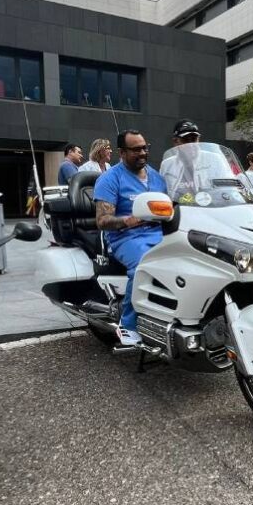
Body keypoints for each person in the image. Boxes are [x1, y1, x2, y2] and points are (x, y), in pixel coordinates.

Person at [93, 130, 168, 351]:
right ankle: (128, 325)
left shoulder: (157, 177)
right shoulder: (110, 178)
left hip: (159, 232)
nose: (143, 153)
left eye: (145, 147)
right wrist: (128, 221)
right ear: (122, 152)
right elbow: (102, 220)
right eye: (136, 149)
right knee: (145, 265)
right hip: (125, 236)